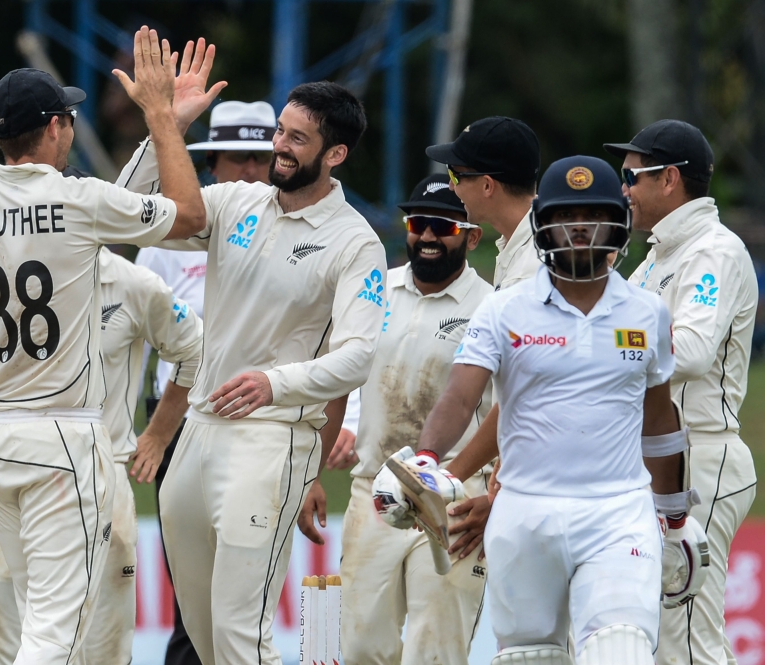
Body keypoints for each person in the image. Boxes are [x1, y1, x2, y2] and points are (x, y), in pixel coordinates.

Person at [0, 27, 210, 665]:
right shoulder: (77, 198)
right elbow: (190, 214)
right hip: (66, 437)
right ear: (59, 127)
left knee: (32, 616)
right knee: (57, 633)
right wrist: (162, 122)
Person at [377, 155, 709, 664]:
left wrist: (677, 517)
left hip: (617, 511)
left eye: (593, 215)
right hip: (525, 511)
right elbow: (460, 396)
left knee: (621, 651)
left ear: (617, 224)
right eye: (565, 217)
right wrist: (426, 459)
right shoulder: (504, 309)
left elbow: (659, 422)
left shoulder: (647, 312)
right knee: (531, 657)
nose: (580, 230)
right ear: (542, 226)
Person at [117, 62, 386, 663]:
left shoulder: (355, 240)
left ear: (336, 153)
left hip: (271, 440)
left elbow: (359, 355)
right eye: (280, 133)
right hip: (196, 435)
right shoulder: (236, 203)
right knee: (205, 634)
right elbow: (128, 212)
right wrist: (165, 124)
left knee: (241, 632)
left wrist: (275, 384)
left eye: (297, 139)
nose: (279, 149)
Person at [0, 244, 204, 665]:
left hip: (101, 468)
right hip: (13, 468)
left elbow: (197, 348)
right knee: (10, 643)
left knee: (103, 650)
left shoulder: (131, 282)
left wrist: (158, 435)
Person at [304, 174, 494, 664]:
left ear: (471, 237)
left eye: (443, 227)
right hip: (375, 489)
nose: (427, 236)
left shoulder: (493, 307)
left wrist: (494, 492)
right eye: (419, 223)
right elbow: (337, 383)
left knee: (435, 650)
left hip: (456, 496)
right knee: (363, 647)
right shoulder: (374, 290)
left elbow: (508, 413)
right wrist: (313, 474)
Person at [605, 119, 759, 665]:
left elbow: (689, 352)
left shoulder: (714, 250)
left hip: (702, 459)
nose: (624, 189)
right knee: (655, 635)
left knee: (686, 643)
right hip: (654, 461)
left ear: (668, 178)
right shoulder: (656, 257)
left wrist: (611, 335)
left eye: (632, 176)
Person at [134, 97, 275, 665]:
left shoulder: (300, 237)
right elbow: (130, 338)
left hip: (264, 430)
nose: (248, 170)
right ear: (210, 163)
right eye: (234, 157)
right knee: (191, 596)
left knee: (244, 596)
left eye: (260, 158)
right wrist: (148, 433)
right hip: (183, 428)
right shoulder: (167, 247)